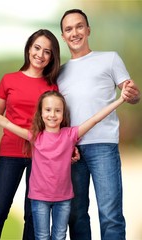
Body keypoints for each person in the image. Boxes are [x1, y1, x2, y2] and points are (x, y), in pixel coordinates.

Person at [0, 83, 128, 240]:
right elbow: (6, 122)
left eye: (58, 110)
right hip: (39, 199)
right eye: (48, 110)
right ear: (41, 113)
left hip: (63, 200)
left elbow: (95, 119)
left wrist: (120, 99)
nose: (52, 114)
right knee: (42, 237)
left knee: (59, 236)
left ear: (63, 114)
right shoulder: (35, 136)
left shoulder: (70, 134)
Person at [0, 29, 61, 240]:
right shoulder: (9, 80)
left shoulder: (52, 85)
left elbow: (55, 122)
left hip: (40, 157)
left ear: (51, 56)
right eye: (37, 48)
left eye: (47, 51)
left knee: (33, 215)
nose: (40, 54)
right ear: (29, 49)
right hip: (10, 153)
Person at [58, 9, 141, 240]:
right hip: (71, 150)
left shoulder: (110, 58)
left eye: (79, 26)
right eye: (69, 29)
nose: (75, 32)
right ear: (63, 36)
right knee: (75, 215)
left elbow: (130, 94)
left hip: (103, 145)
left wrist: (133, 94)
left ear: (88, 30)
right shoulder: (60, 72)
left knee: (111, 215)